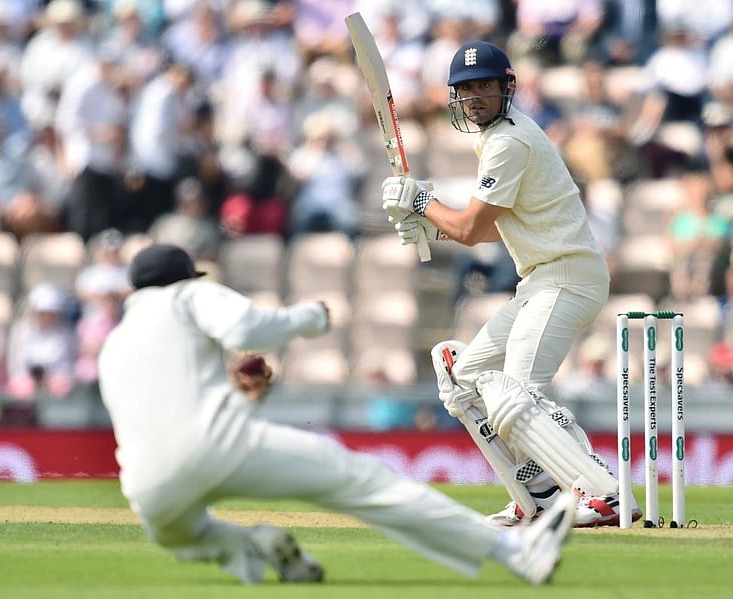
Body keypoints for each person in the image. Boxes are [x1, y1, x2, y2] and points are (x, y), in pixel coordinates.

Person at [97, 243, 577, 586]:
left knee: (190, 536)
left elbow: (167, 421)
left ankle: (255, 549)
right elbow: (245, 327)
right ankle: (518, 552)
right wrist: (311, 318)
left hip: (148, 490)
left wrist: (243, 399)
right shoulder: (186, 294)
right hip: (219, 446)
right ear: (182, 279)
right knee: (367, 485)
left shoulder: (113, 345)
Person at [381, 41, 639, 528]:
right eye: (466, 89)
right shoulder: (497, 139)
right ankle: (535, 495)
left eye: (485, 86)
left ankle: (603, 493)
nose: (476, 97)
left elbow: (474, 231)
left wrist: (420, 204)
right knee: (462, 378)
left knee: (518, 392)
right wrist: (428, 220)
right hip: (540, 280)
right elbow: (497, 221)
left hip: (567, 277)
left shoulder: (508, 141)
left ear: (507, 89)